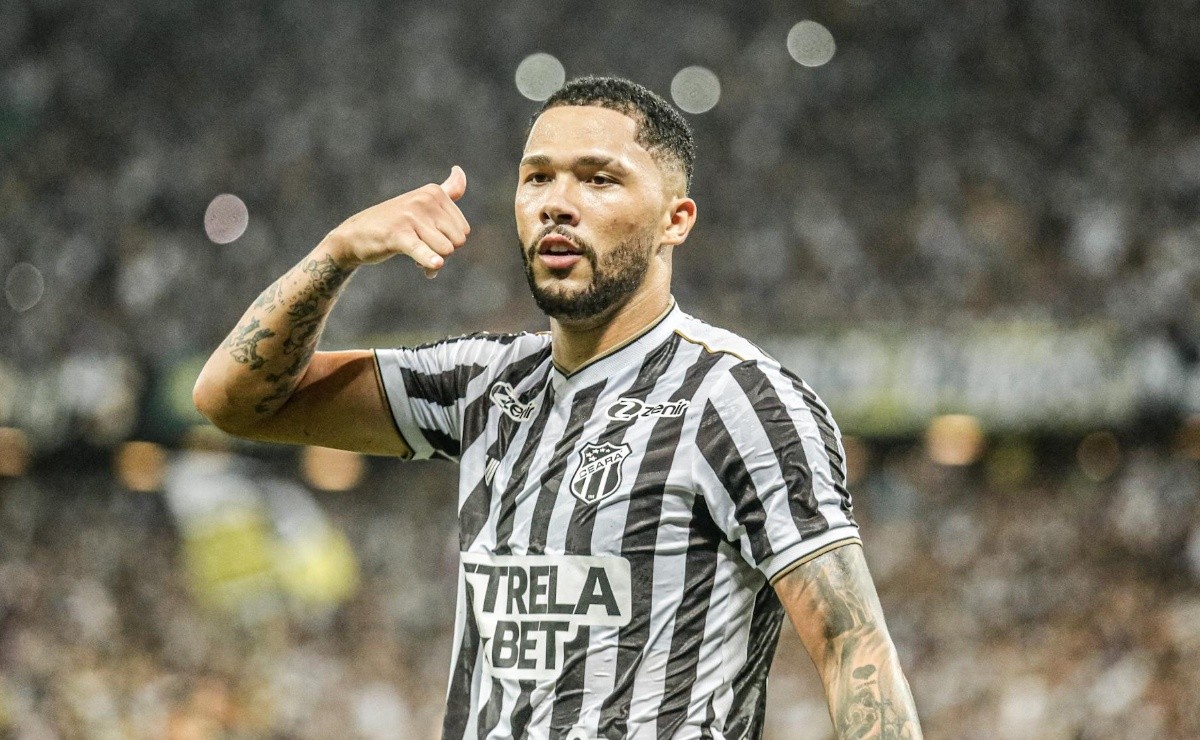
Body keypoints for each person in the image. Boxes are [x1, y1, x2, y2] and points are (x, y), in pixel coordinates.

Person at [194, 76, 921, 740]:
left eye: (599, 178)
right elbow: (234, 402)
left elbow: (852, 648)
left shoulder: (740, 400)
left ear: (675, 220)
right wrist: (337, 254)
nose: (556, 202)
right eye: (537, 177)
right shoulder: (480, 383)